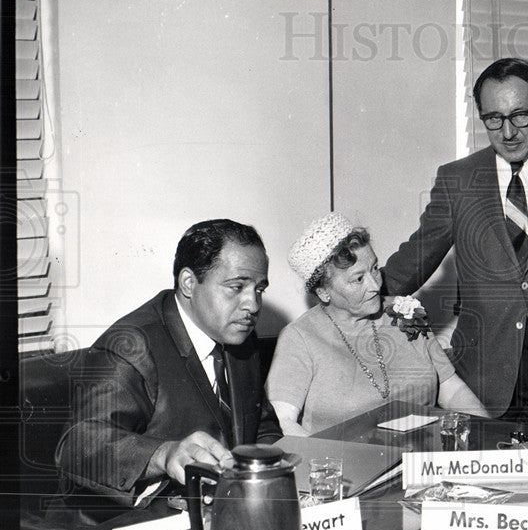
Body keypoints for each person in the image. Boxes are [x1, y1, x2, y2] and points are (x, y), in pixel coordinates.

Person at [380, 57, 528, 424]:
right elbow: (414, 259)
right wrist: (353, 296)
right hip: (481, 378)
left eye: (520, 115)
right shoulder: (457, 179)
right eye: (493, 119)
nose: (508, 132)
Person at [56, 219, 282, 512]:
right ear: (189, 283)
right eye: (236, 287)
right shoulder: (130, 346)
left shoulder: (237, 336)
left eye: (259, 289)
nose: (252, 305)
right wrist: (164, 453)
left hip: (216, 512)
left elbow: (260, 426)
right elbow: (76, 445)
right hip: (122, 524)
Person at [266, 212, 487, 435]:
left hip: (423, 458)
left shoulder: (405, 311)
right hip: (347, 463)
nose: (374, 285)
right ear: (324, 292)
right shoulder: (299, 337)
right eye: (358, 279)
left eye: (374, 268)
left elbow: (451, 388)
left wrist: (489, 435)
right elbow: (283, 423)